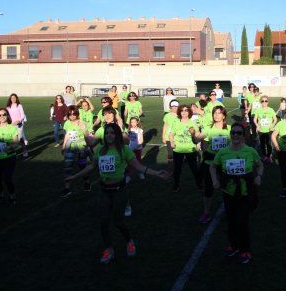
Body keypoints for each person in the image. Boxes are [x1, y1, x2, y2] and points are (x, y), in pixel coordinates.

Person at [65, 124, 170, 264]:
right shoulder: (100, 151)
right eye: (107, 133)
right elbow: (91, 166)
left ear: (117, 135)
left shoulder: (123, 150)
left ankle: (129, 241)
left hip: (119, 191)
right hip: (103, 191)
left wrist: (156, 173)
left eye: (112, 133)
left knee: (118, 221)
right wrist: (74, 177)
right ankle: (109, 249)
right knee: (103, 222)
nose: (109, 135)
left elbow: (138, 166)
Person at [210, 123, 263, 264]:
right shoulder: (223, 152)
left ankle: (245, 250)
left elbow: (260, 165)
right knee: (231, 221)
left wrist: (259, 176)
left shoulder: (250, 151)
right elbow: (213, 166)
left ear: (244, 135)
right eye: (233, 132)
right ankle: (233, 246)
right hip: (228, 192)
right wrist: (215, 180)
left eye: (239, 133)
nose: (235, 135)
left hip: (245, 192)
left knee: (242, 222)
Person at [192, 106, 231, 224]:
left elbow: (238, 142)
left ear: (224, 116)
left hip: (225, 164)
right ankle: (206, 213)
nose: (217, 115)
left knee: (228, 188)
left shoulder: (229, 129)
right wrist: (193, 133)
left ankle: (231, 210)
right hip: (210, 163)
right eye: (215, 113)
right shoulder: (208, 129)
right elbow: (196, 140)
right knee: (208, 189)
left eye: (220, 113)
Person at [0, 108, 20, 205]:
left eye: (4, 114)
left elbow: (16, 143)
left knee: (7, 179)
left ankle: (12, 197)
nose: (2, 116)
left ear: (7, 116)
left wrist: (10, 147)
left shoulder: (12, 128)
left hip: (9, 157)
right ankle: (1, 196)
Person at [169, 105, 202, 192]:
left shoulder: (192, 123)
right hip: (178, 150)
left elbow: (198, 133)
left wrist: (198, 143)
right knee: (177, 170)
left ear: (189, 112)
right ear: (179, 112)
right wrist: (172, 142)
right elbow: (171, 134)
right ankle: (176, 186)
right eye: (182, 110)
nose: (184, 112)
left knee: (194, 169)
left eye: (186, 110)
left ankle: (199, 185)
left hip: (190, 150)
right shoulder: (176, 123)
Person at [61, 105, 90, 198]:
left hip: (81, 148)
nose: (72, 116)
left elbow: (86, 136)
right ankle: (67, 188)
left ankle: (87, 183)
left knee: (82, 167)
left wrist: (83, 148)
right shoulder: (67, 123)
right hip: (70, 149)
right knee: (68, 168)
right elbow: (67, 135)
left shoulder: (81, 123)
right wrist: (63, 146)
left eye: (74, 114)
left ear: (77, 114)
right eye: (70, 114)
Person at [254, 95, 277, 163]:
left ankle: (269, 156)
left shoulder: (271, 110)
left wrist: (272, 125)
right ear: (261, 102)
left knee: (269, 144)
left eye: (266, 101)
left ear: (268, 102)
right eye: (263, 101)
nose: (264, 102)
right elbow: (255, 119)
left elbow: (275, 119)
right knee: (262, 144)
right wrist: (257, 125)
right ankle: (264, 156)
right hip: (261, 130)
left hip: (269, 130)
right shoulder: (258, 110)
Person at [6, 93, 29, 158]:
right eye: (12, 98)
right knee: (11, 139)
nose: (13, 99)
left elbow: (22, 114)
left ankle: (24, 151)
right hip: (11, 125)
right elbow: (7, 116)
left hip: (19, 124)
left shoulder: (19, 105)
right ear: (10, 99)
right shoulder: (8, 107)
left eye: (14, 98)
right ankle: (12, 153)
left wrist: (18, 121)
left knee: (19, 139)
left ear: (16, 98)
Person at [162, 100, 180, 164]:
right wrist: (163, 137)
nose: (174, 107)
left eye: (176, 106)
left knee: (178, 154)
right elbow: (165, 126)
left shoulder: (180, 115)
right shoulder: (167, 115)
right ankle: (170, 167)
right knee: (170, 154)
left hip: (178, 137)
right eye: (173, 106)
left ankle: (177, 167)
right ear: (170, 107)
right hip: (168, 138)